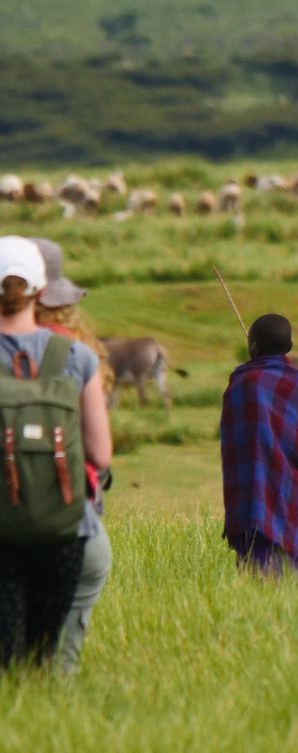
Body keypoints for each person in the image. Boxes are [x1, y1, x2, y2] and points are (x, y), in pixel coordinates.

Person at [0, 236, 112, 668]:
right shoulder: (77, 356)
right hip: (66, 530)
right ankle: (53, 711)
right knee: (46, 656)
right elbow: (101, 456)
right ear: (42, 290)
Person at [32, 237, 113, 674]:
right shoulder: (76, 353)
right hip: (67, 514)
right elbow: (99, 454)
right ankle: (57, 689)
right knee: (83, 584)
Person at [220, 313, 298, 577]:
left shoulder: (241, 382)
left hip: (251, 494)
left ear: (254, 347)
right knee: (286, 571)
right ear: (289, 348)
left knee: (255, 568)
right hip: (289, 488)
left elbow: (233, 444)